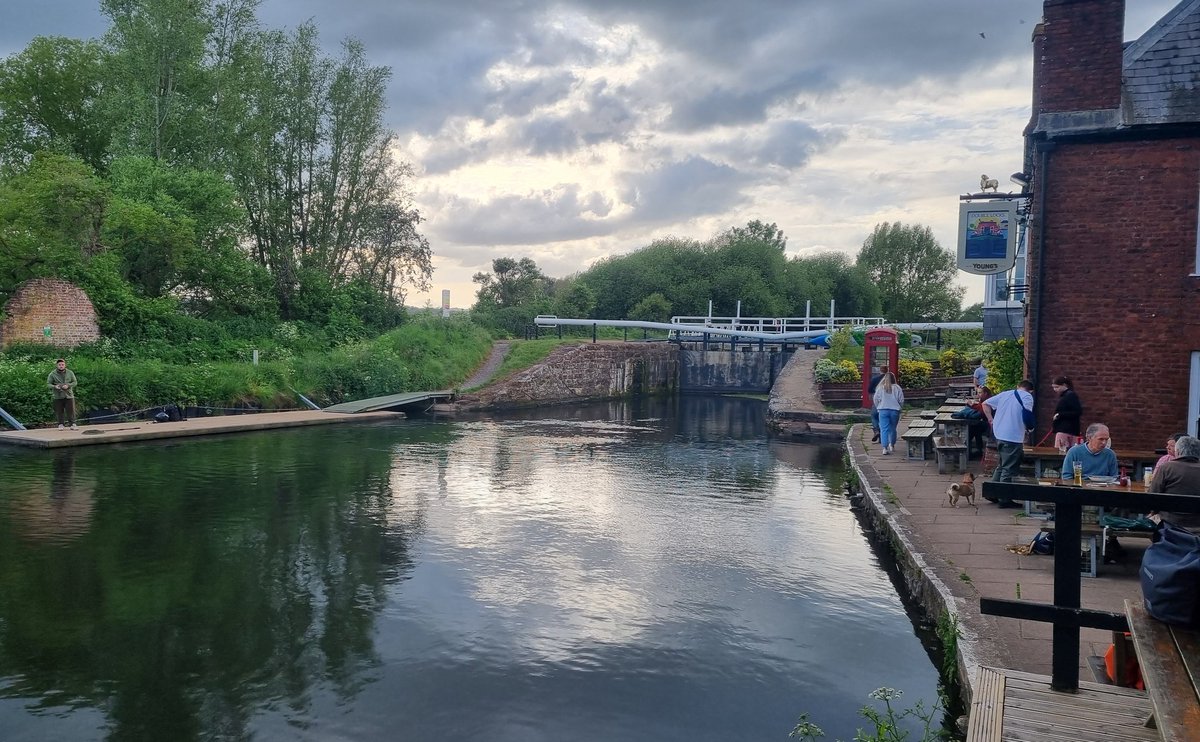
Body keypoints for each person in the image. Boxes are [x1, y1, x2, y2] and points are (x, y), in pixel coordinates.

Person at [981, 379, 1034, 506]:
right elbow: (1027, 416)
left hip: (999, 434)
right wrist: (1030, 428)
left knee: (1002, 465)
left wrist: (991, 420)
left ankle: (991, 493)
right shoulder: (1027, 397)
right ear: (1031, 390)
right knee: (1008, 469)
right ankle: (1004, 499)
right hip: (1013, 436)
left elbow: (985, 404)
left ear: (1018, 386)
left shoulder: (1005, 394)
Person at [1149, 435, 1200, 530]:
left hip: (1170, 522)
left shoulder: (1166, 468)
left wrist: (1152, 513)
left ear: (1178, 451)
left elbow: (1153, 497)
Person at [873, 371, 904, 455]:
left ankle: (884, 448)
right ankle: (892, 445)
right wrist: (900, 407)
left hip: (883, 410)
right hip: (894, 410)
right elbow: (901, 400)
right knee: (893, 428)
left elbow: (875, 399)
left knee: (884, 429)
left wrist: (878, 407)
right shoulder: (897, 388)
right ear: (894, 378)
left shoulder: (880, 388)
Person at [1050, 376, 1083, 452]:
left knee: (1060, 452)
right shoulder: (1069, 395)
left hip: (1065, 429)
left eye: (1057, 387)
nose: (1055, 390)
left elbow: (1077, 411)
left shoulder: (1069, 396)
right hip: (1070, 429)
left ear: (1064, 385)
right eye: (1054, 387)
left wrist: (1060, 415)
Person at [46, 357, 78, 430]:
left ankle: (73, 424)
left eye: (62, 364)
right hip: (58, 395)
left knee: (71, 411)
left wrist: (68, 385)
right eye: (59, 364)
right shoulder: (52, 374)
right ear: (57, 365)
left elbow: (75, 382)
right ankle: (61, 424)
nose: (61, 366)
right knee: (59, 411)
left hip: (69, 395)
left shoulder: (70, 372)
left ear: (65, 365)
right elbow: (48, 384)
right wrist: (55, 386)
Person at [867, 366, 886, 443]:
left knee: (874, 416)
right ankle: (882, 439)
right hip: (888, 403)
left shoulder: (875, 379)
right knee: (883, 420)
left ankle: (876, 430)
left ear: (879, 370)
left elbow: (869, 389)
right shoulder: (891, 379)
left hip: (877, 400)